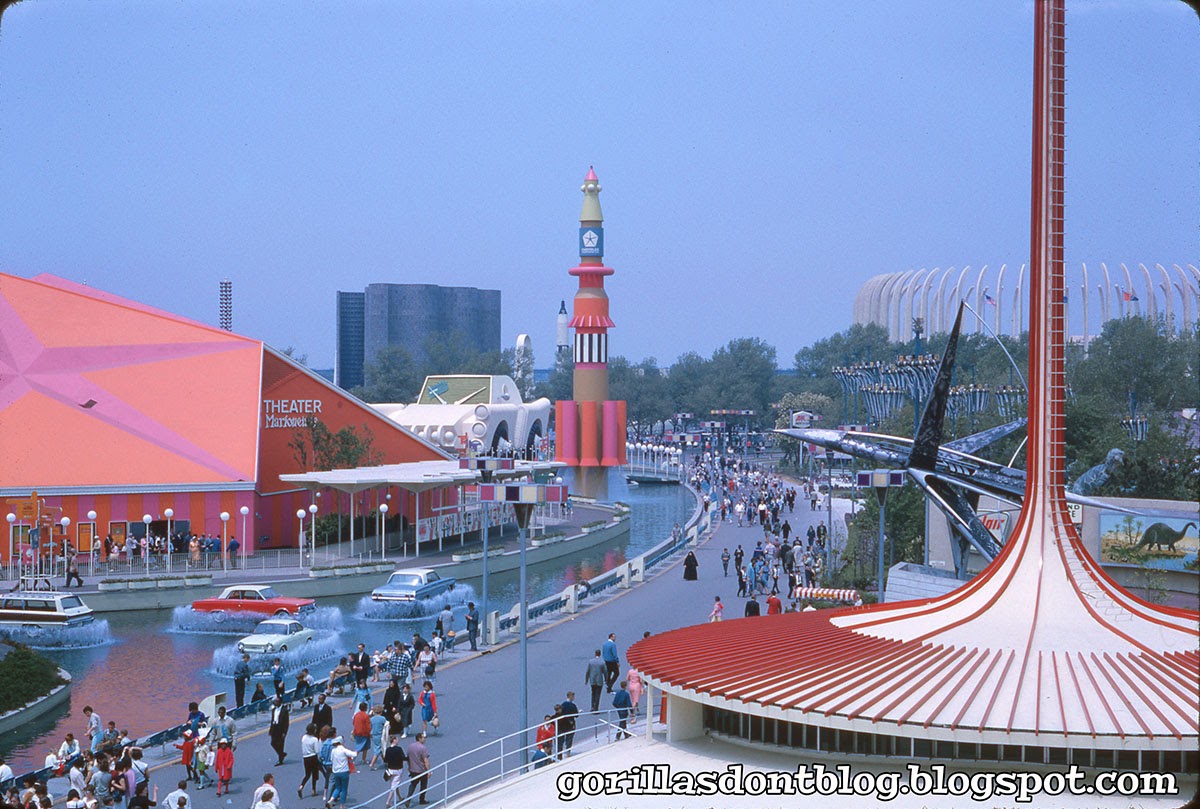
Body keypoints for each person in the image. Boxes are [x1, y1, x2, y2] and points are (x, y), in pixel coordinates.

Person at [326, 737, 355, 809]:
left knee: (338, 788)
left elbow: (331, 759)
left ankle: (330, 800)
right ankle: (342, 805)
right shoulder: (344, 750)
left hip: (336, 772)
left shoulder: (333, 751)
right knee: (344, 789)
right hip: (344, 771)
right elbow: (354, 754)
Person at [403, 733, 429, 807]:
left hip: (413, 770)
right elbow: (426, 760)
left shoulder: (410, 747)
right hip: (422, 770)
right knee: (423, 785)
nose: (424, 739)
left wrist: (409, 767)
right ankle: (422, 799)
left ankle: (408, 799)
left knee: (413, 785)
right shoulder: (423, 748)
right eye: (423, 737)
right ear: (419, 738)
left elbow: (408, 758)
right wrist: (428, 771)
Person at [381, 736, 405, 809]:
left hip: (391, 770)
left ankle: (399, 797)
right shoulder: (399, 749)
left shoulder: (388, 750)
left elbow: (385, 760)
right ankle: (388, 801)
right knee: (394, 786)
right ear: (394, 740)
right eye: (397, 739)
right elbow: (403, 758)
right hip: (398, 769)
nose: (398, 740)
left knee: (394, 783)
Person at [298, 723, 321, 799]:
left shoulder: (304, 737)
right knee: (314, 774)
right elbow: (317, 751)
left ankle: (301, 786)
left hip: (305, 758)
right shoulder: (314, 739)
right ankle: (313, 790)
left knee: (307, 774)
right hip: (313, 757)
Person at [556, 692, 578, 759]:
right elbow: (576, 715)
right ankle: (567, 751)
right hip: (570, 724)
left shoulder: (563, 705)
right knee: (569, 738)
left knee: (561, 739)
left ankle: (560, 753)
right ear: (571, 696)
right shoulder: (572, 705)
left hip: (563, 724)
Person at [269, 699, 290, 766]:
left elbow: (286, 722)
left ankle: (280, 760)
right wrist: (270, 730)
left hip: (280, 728)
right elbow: (272, 720)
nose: (275, 703)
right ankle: (282, 754)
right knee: (273, 743)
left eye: (276, 702)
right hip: (274, 727)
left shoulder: (284, 710)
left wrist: (284, 732)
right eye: (275, 702)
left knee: (280, 744)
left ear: (280, 702)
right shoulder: (274, 709)